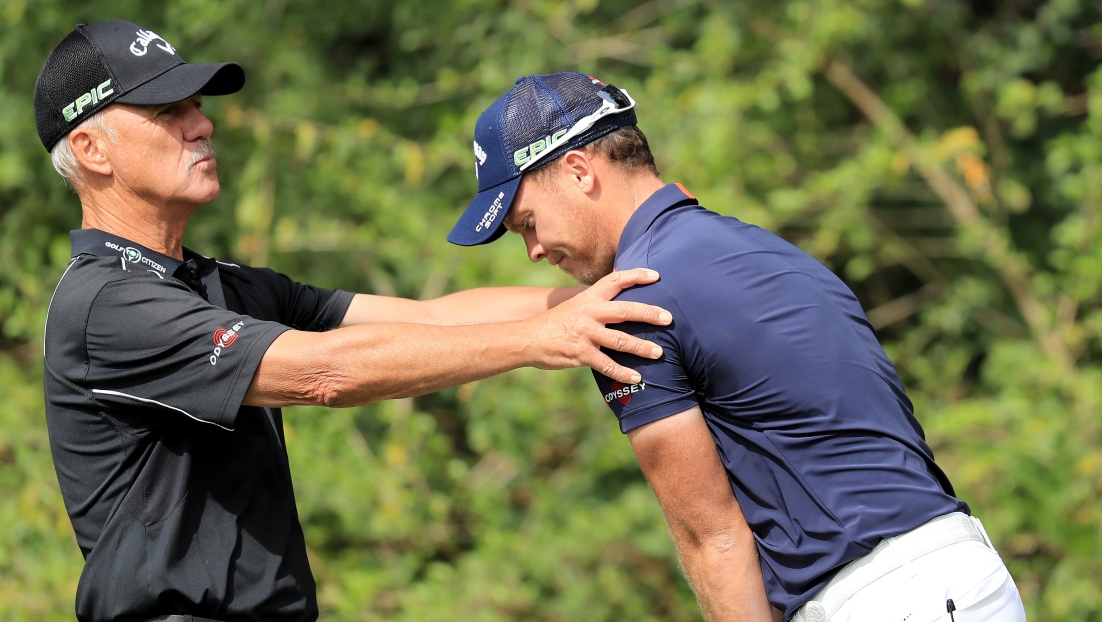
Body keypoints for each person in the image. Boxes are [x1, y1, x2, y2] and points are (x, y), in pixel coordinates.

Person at [35, 23, 674, 622]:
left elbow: (434, 317)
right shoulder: (106, 305)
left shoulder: (223, 286)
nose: (201, 124)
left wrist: (630, 288)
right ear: (92, 150)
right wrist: (539, 340)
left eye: (196, 105)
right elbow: (323, 373)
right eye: (166, 112)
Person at [448, 72, 1028, 622]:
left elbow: (714, 538)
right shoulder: (764, 251)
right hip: (965, 574)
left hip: (883, 600)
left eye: (527, 222)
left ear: (579, 170)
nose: (533, 250)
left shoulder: (632, 305)